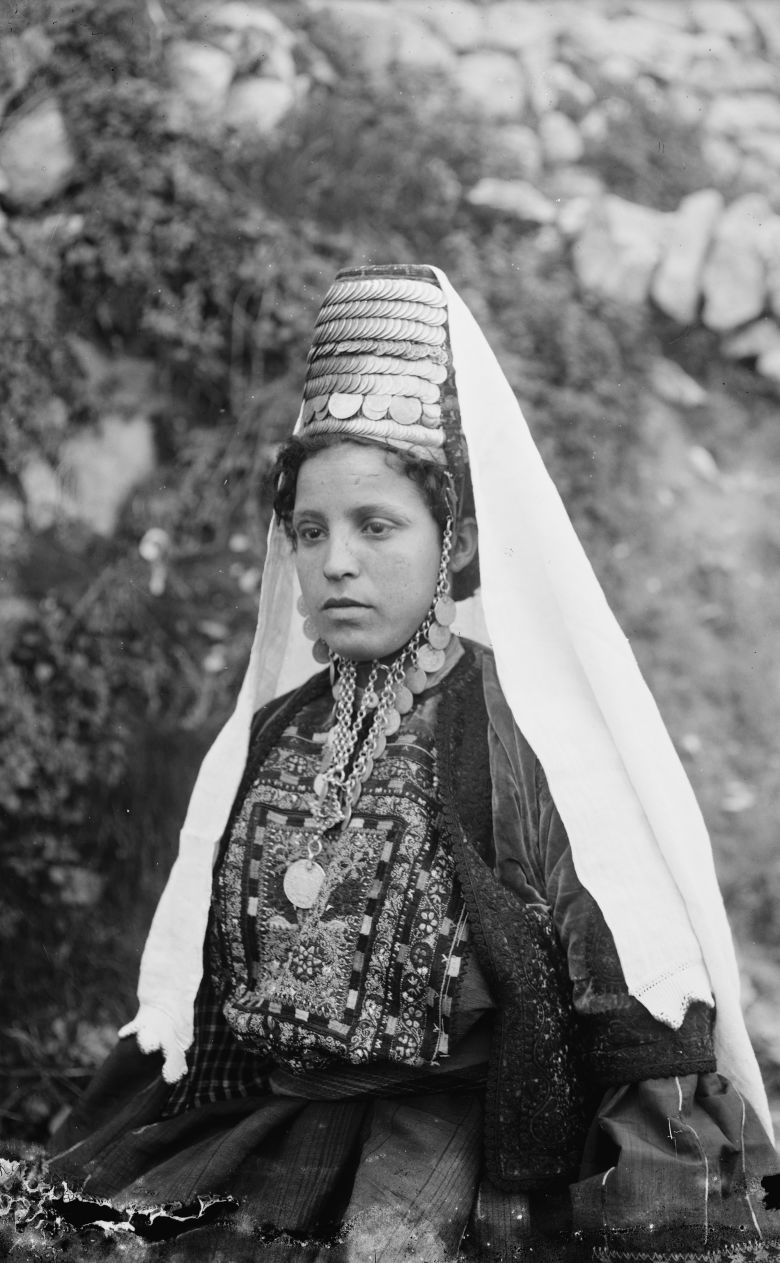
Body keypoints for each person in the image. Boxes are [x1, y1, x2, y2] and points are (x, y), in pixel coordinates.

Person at [48, 264, 778, 1260]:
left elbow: (634, 1000)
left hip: (454, 1146)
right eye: (311, 532)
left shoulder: (531, 743)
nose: (335, 560)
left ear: (457, 543)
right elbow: (209, 1000)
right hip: (275, 1124)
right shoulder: (284, 733)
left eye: (376, 525)